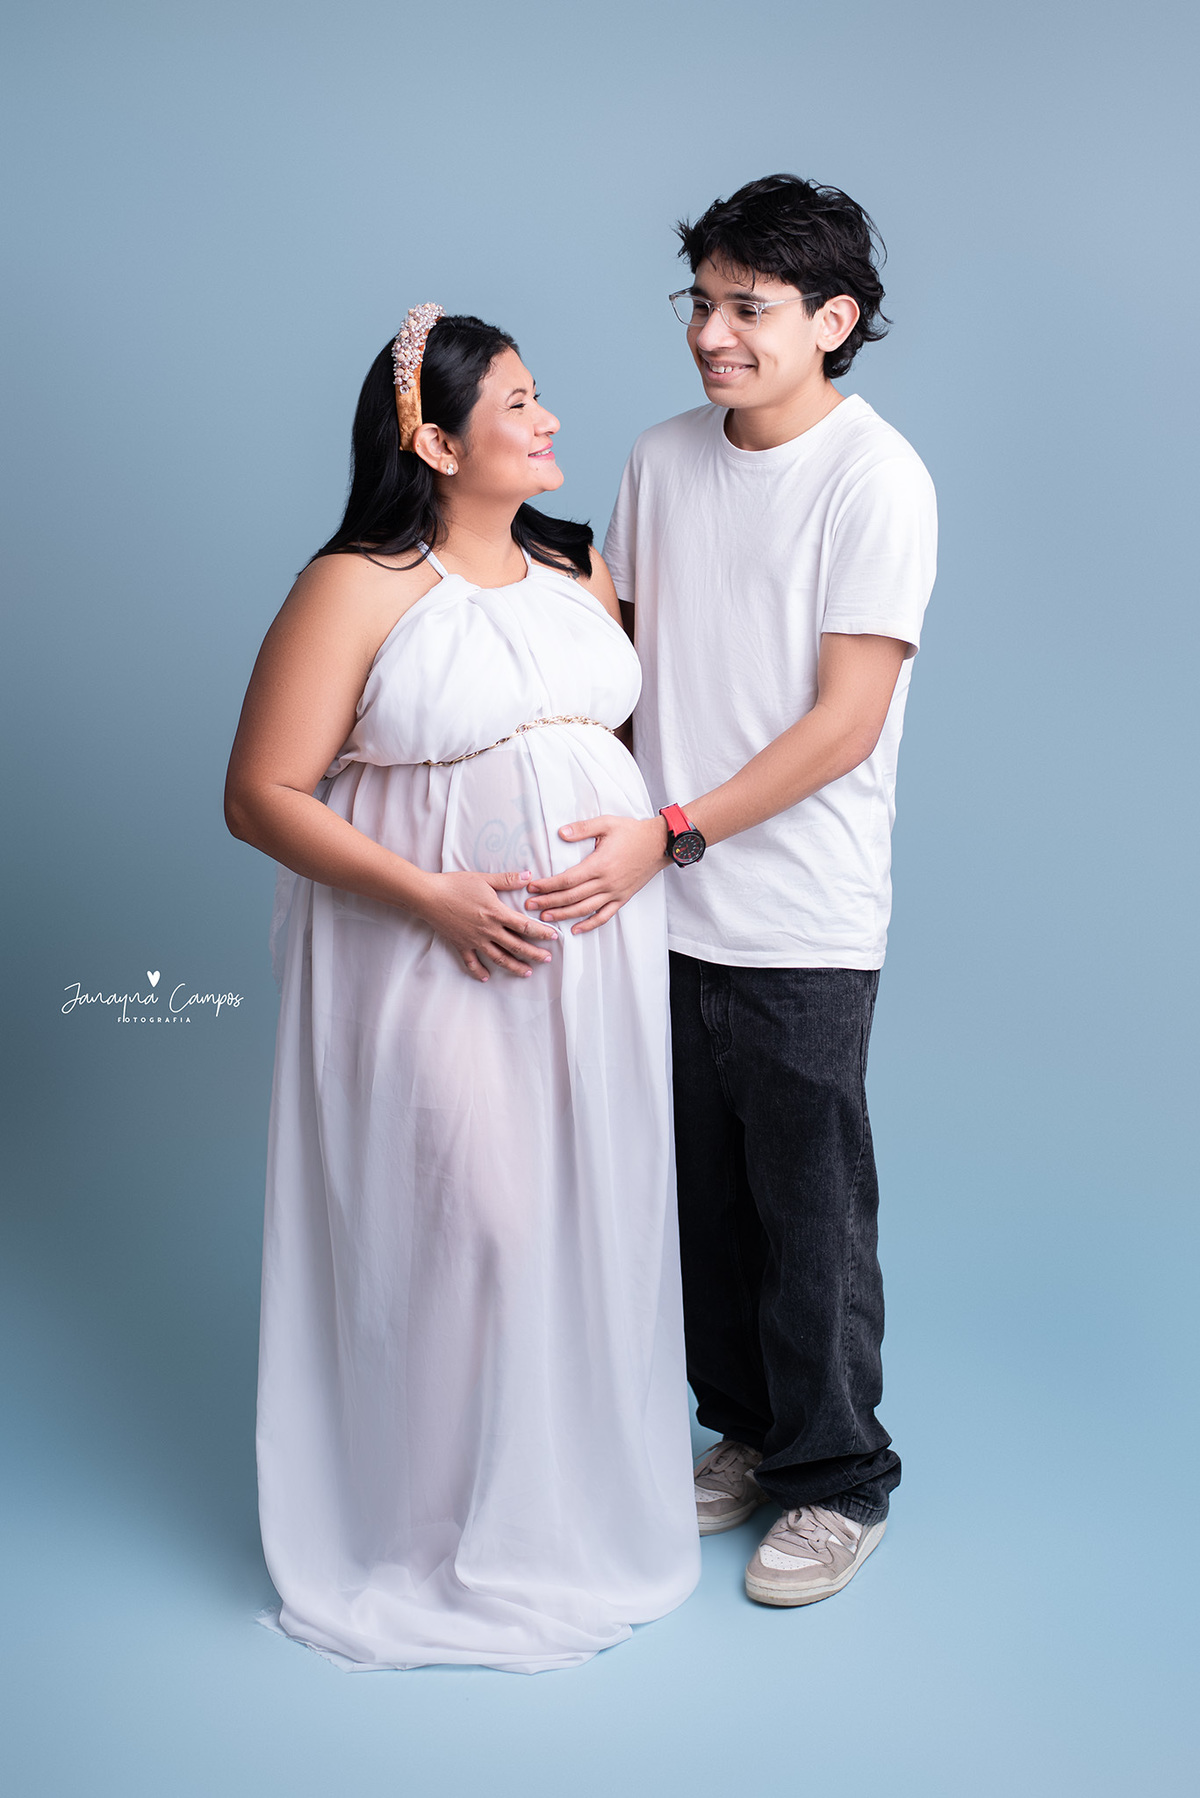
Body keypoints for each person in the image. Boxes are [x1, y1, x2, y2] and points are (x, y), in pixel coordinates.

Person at [224, 308, 699, 1671]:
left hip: (592, 952)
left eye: (542, 396)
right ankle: (428, 1532)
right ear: (436, 444)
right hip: (421, 944)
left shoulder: (577, 563)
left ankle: (557, 1515)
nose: (549, 422)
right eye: (517, 405)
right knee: (464, 1217)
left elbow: (600, 738)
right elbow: (259, 793)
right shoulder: (356, 585)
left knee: (585, 1213)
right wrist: (432, 897)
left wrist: (642, 838)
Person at [524, 176, 937, 1606]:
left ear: (834, 319)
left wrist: (674, 829)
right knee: (698, 1205)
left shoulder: (876, 478)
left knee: (809, 1216)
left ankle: (842, 1477)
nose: (711, 333)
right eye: (699, 303)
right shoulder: (660, 458)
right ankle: (750, 1436)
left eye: (747, 307)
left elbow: (846, 723)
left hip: (801, 913)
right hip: (657, 902)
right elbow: (622, 659)